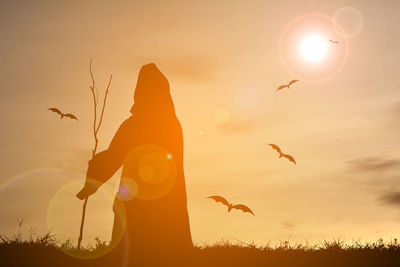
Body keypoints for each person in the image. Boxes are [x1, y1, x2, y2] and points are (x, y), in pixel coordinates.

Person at [76, 63, 192, 262]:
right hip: (166, 202)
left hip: (140, 201)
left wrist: (92, 182)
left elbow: (113, 155)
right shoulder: (172, 123)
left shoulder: (137, 123)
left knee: (134, 255)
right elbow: (115, 155)